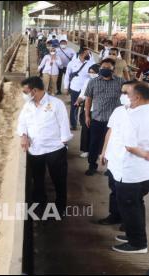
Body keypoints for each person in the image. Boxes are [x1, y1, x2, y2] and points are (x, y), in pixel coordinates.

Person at [17, 76, 73, 216]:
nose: (24, 95)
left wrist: (63, 143)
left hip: (54, 149)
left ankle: (60, 209)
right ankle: (41, 208)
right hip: (35, 150)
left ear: (34, 90)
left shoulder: (56, 104)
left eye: (25, 91)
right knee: (38, 181)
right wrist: (23, 135)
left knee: (58, 180)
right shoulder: (28, 105)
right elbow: (22, 123)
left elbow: (64, 125)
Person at [113, 82, 149, 254]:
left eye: (128, 94)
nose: (126, 97)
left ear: (138, 97)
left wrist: (145, 154)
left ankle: (138, 243)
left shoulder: (133, 117)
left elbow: (129, 146)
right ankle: (134, 234)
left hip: (131, 171)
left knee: (129, 205)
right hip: (144, 173)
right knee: (137, 204)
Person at [98, 81, 138, 226]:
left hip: (132, 162)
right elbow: (110, 131)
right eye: (122, 92)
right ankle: (114, 215)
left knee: (130, 195)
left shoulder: (144, 114)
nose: (123, 96)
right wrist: (104, 153)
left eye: (126, 93)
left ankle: (129, 224)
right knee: (114, 189)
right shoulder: (118, 111)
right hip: (114, 159)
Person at [84, 58, 126, 176]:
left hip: (114, 122)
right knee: (94, 144)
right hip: (97, 118)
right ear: (100, 68)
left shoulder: (121, 82)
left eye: (108, 68)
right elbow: (88, 99)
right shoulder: (93, 82)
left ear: (113, 69)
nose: (105, 69)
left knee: (112, 145)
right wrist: (87, 116)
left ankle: (110, 168)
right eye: (103, 67)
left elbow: (127, 97)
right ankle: (92, 165)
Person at [64, 47, 95, 130]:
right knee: (74, 106)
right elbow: (67, 75)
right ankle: (73, 124)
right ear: (81, 53)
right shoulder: (72, 63)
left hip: (87, 88)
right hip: (75, 87)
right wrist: (66, 87)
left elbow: (95, 74)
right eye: (87, 53)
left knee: (86, 106)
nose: (89, 55)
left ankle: (83, 122)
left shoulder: (91, 63)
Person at [74, 64, 101, 158]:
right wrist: (78, 100)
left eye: (93, 72)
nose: (91, 74)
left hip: (99, 110)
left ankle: (97, 152)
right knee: (86, 129)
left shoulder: (103, 82)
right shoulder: (87, 81)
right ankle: (86, 150)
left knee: (97, 131)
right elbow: (83, 94)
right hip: (87, 109)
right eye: (90, 72)